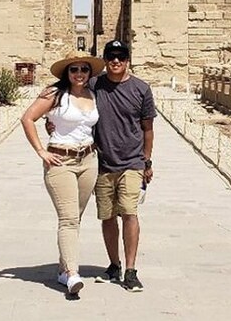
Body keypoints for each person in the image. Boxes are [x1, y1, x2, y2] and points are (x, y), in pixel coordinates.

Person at [20, 50, 105, 297]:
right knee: (67, 219)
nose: (79, 73)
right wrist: (40, 151)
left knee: (75, 218)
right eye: (74, 69)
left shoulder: (93, 94)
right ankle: (72, 275)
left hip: (88, 160)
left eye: (84, 69)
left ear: (90, 72)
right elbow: (27, 118)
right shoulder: (54, 94)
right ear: (67, 72)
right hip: (60, 161)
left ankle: (62, 269)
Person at [91, 40, 156, 292]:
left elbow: (147, 129)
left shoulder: (141, 88)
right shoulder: (95, 84)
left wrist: (147, 161)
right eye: (111, 56)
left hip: (132, 162)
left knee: (129, 213)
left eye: (120, 57)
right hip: (104, 162)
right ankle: (114, 265)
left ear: (127, 60)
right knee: (107, 217)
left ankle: (130, 270)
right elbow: (71, 97)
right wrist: (51, 121)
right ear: (105, 59)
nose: (115, 61)